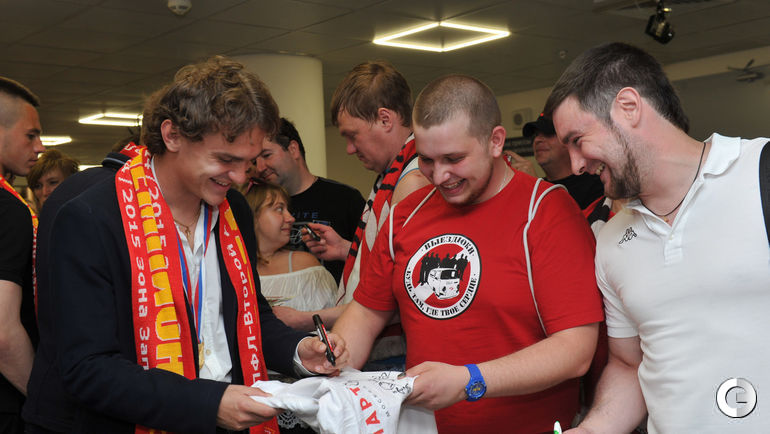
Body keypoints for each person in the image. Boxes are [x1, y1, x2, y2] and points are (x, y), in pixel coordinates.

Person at [29, 56, 347, 434]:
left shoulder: (234, 211)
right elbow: (88, 368)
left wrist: (298, 351)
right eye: (225, 159)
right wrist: (210, 404)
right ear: (172, 135)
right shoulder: (92, 218)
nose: (239, 177)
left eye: (247, 162)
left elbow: (250, 316)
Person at [333, 74, 604, 433]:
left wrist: (470, 380)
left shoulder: (546, 211)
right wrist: (334, 355)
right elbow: (367, 312)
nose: (439, 176)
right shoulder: (405, 214)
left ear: (495, 141)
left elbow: (575, 349)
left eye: (454, 158)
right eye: (427, 160)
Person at [544, 42, 770, 433]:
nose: (576, 165)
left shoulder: (758, 172)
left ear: (628, 107)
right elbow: (630, 365)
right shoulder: (612, 241)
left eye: (577, 140)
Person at [22, 134, 142, 432]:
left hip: (64, 391)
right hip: (81, 396)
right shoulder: (92, 209)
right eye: (38, 185)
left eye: (52, 182)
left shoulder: (75, 203)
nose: (45, 192)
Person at [253, 117, 365, 284]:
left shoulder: (345, 199)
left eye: (266, 155)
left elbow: (375, 259)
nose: (259, 167)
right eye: (254, 161)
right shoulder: (257, 207)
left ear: (293, 149)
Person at [0, 77, 44, 434]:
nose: (40, 146)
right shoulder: (7, 211)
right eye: (30, 135)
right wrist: (44, 401)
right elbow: (2, 332)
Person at [244, 182, 339, 332]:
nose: (290, 218)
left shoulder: (304, 265)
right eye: (279, 209)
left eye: (288, 210)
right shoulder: (235, 267)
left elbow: (334, 326)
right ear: (253, 216)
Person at [522, 113, 603, 209]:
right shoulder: (537, 185)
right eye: (535, 135)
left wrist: (536, 188)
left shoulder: (596, 184)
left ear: (570, 141)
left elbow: (571, 218)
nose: (537, 140)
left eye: (548, 133)